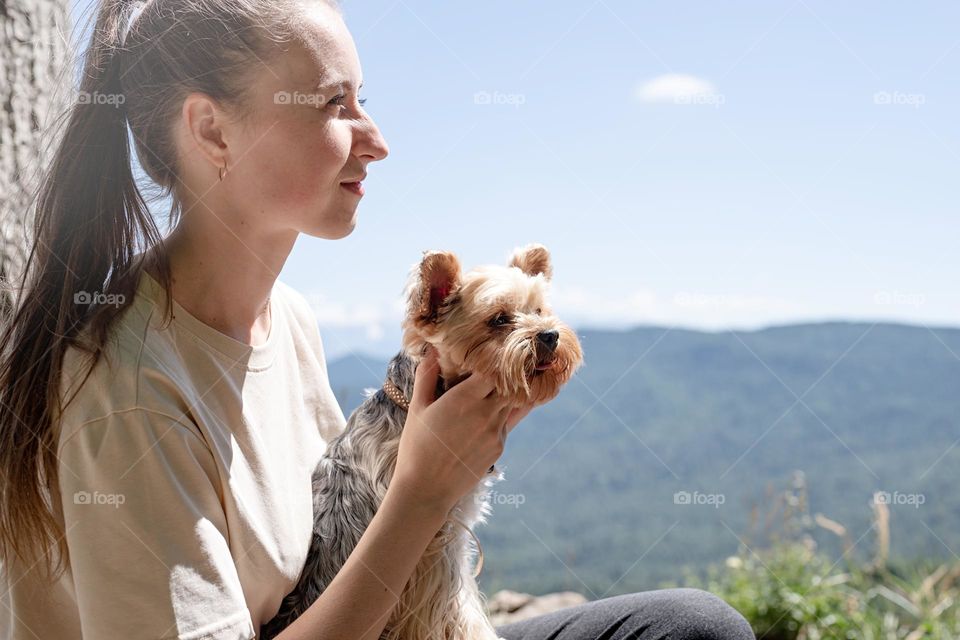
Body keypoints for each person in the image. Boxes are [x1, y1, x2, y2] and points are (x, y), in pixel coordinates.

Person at [0, 1, 756, 638]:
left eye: (366, 99)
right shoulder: (127, 391)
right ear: (213, 133)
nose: (379, 140)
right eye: (335, 105)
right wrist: (424, 491)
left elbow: (336, 549)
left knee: (692, 625)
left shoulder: (286, 320)